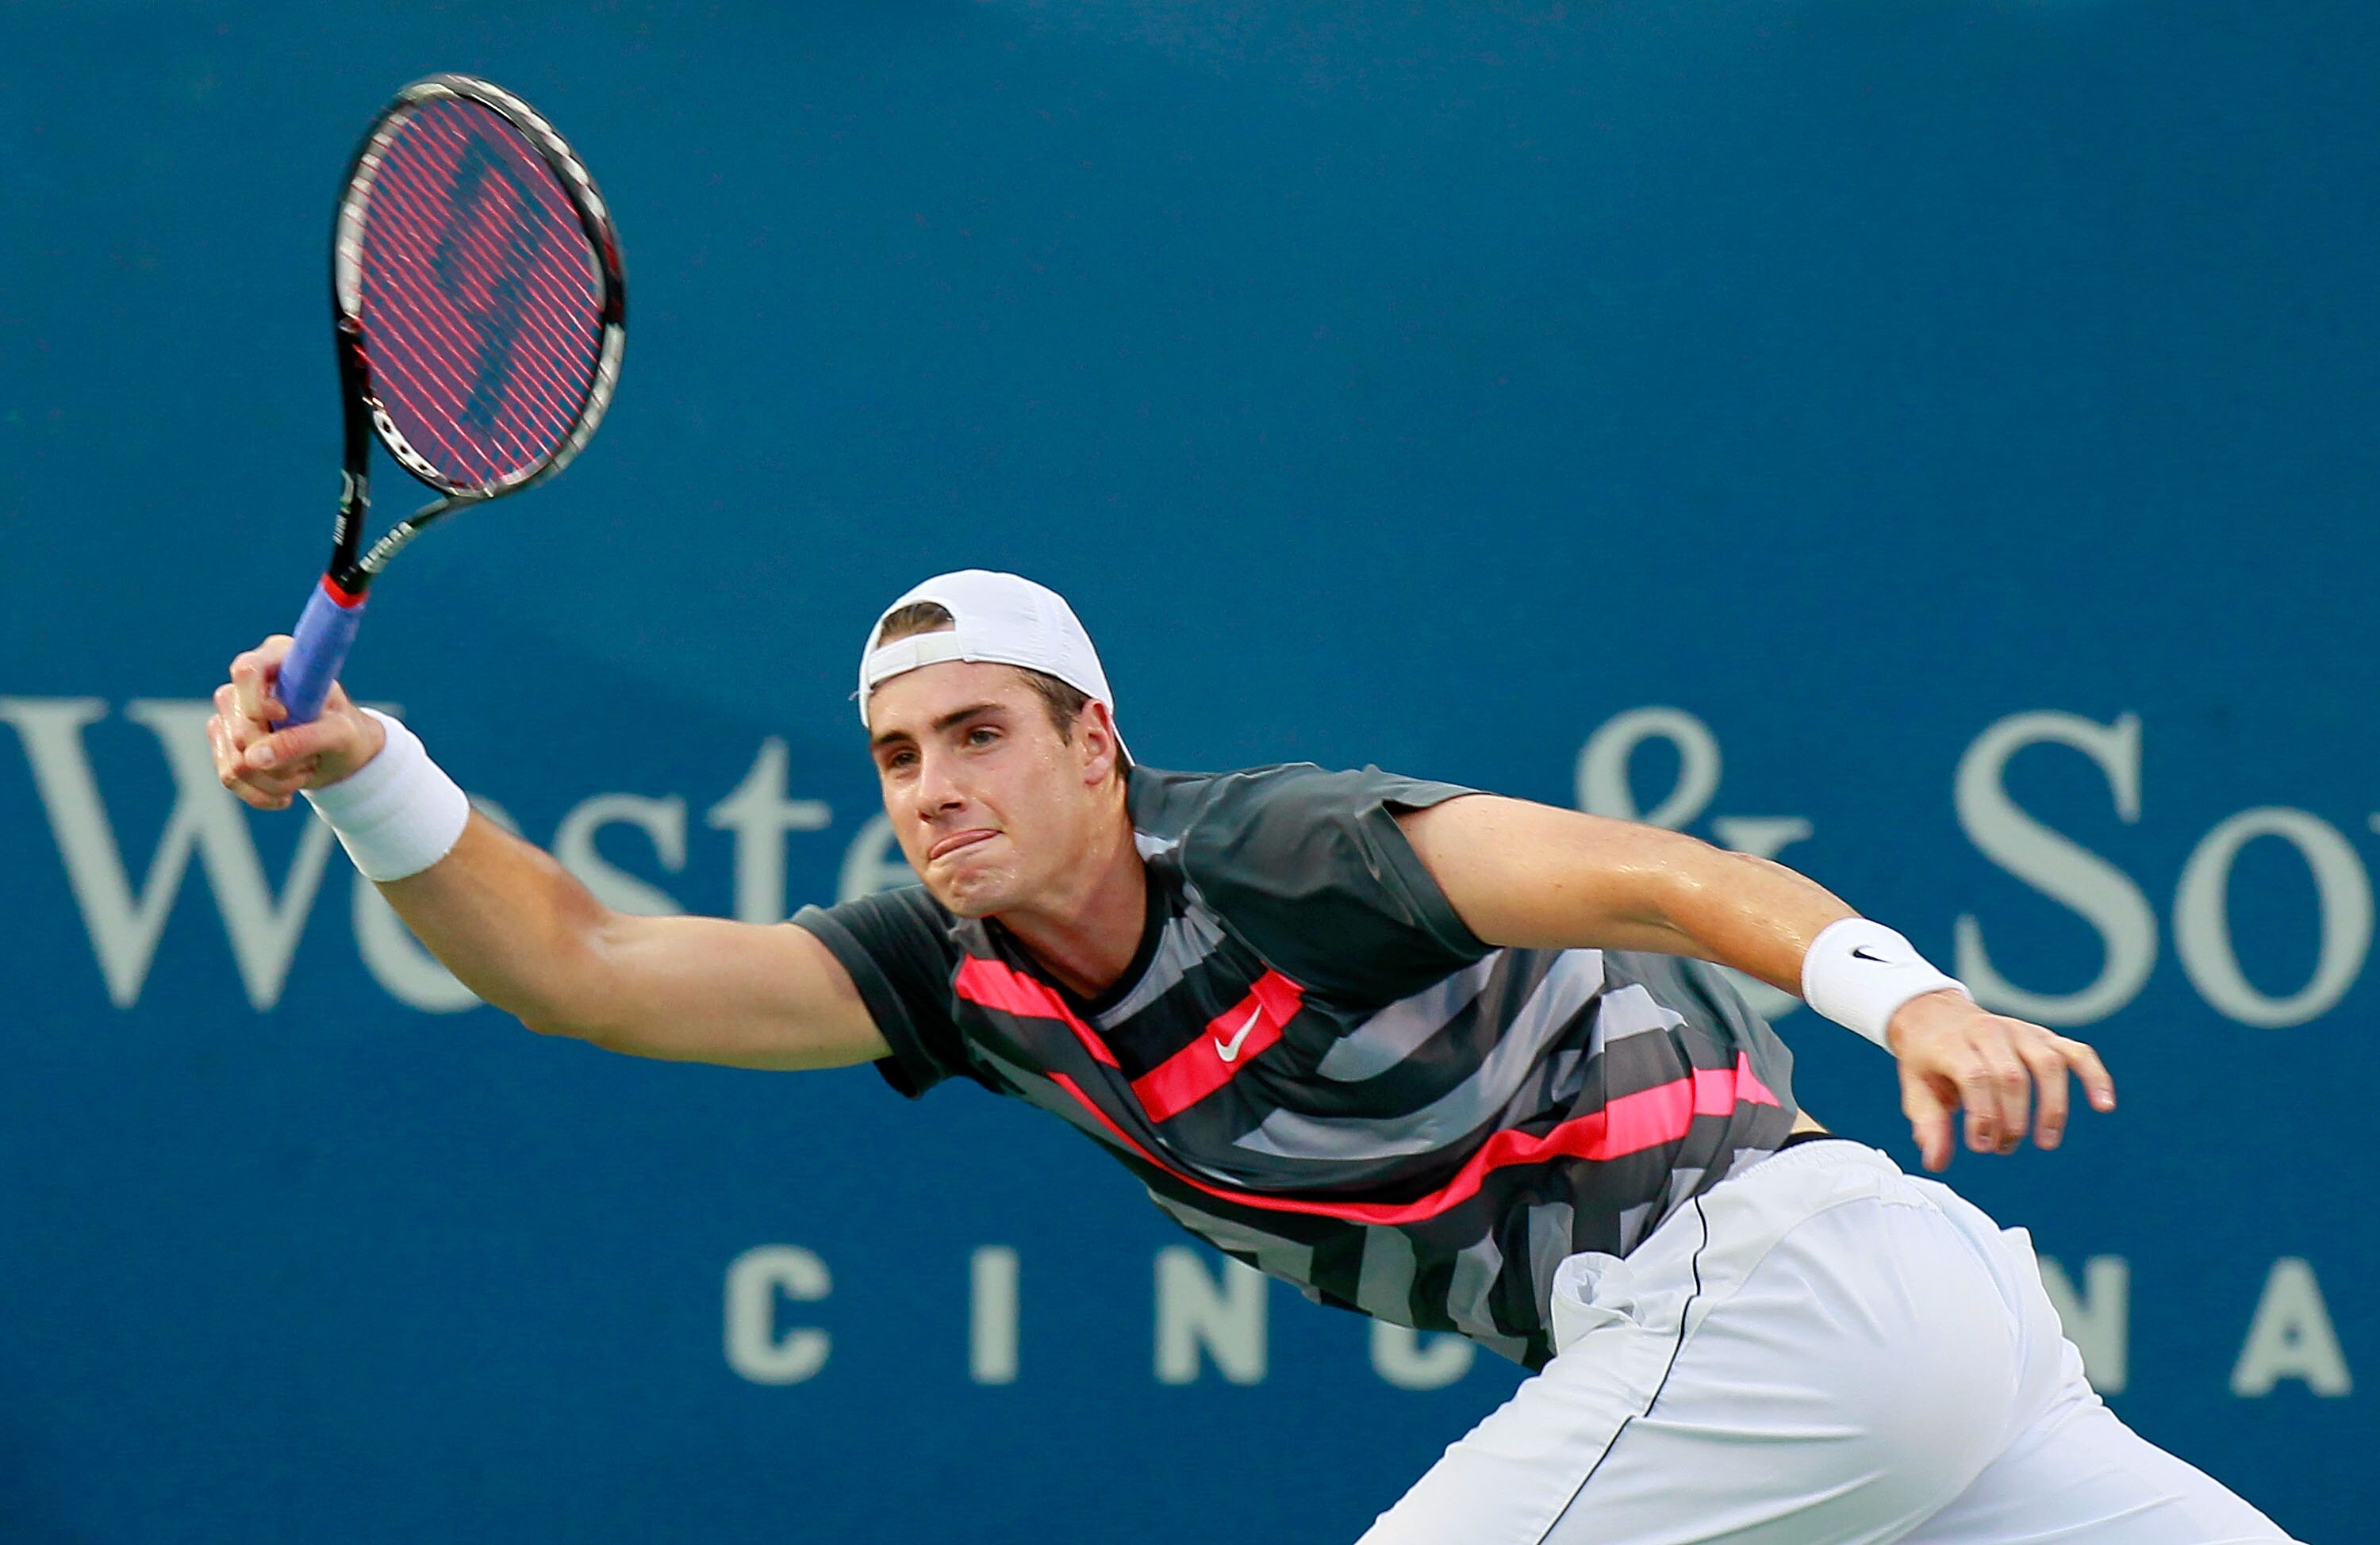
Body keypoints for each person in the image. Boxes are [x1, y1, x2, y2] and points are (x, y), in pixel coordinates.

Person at [210, 569, 2296, 1543]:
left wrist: (1904, 991)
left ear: (1093, 744)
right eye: (896, 757)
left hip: (1781, 1289)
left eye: (978, 737)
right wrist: (374, 769)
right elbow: (581, 964)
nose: (932, 791)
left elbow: (1645, 875)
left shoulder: (1278, 852)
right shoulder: (953, 970)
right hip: (1915, 1356)